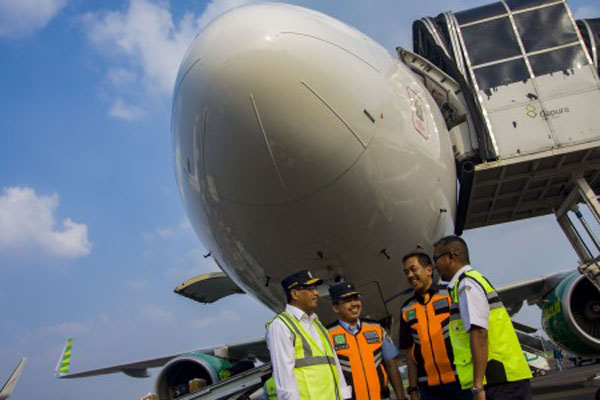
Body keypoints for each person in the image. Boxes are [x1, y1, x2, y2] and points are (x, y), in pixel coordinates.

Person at [433, 236, 533, 400]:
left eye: (436, 258)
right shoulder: (471, 281)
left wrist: (477, 386)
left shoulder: (467, 285)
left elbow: (479, 332)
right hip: (504, 377)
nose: (435, 265)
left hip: (497, 380)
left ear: (451, 256)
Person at [266, 270, 352, 400]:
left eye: (315, 288)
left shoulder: (319, 325)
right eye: (310, 288)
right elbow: (284, 377)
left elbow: (336, 366)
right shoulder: (281, 325)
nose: (316, 293)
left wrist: (345, 396)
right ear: (294, 294)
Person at [399, 252, 472, 400]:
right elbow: (409, 354)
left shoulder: (451, 295)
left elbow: (474, 334)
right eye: (406, 272)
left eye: (414, 269)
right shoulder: (406, 309)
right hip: (428, 389)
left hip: (461, 381)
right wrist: (413, 389)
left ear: (429, 270)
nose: (410, 275)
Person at [327, 282, 406, 400]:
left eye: (356, 298)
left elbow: (391, 365)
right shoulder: (327, 334)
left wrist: (401, 397)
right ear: (335, 307)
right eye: (347, 300)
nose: (354, 304)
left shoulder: (375, 328)